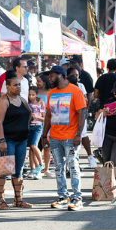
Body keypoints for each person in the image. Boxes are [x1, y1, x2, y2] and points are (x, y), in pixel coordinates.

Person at [41, 65, 88, 211]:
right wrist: (44, 135)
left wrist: (79, 134)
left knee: (73, 167)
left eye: (51, 76)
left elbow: (82, 113)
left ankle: (77, 197)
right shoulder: (51, 93)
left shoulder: (75, 91)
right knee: (58, 168)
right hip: (55, 137)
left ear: (60, 75)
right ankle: (63, 196)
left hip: (71, 137)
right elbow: (48, 115)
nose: (49, 78)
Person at [0, 74, 32, 209]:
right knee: (3, 171)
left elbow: (29, 114)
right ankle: (1, 201)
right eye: (15, 85)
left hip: (21, 141)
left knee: (18, 171)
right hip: (7, 140)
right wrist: (2, 140)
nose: (18, 87)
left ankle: (18, 200)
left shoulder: (22, 100)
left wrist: (24, 129)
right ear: (8, 86)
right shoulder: (3, 101)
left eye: (19, 84)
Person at [36, 73, 55, 178]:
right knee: (36, 146)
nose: (37, 83)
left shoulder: (51, 92)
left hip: (48, 122)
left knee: (47, 147)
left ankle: (46, 169)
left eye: (39, 81)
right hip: (37, 123)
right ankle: (37, 167)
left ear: (45, 81)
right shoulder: (35, 93)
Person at [26, 86, 45, 179]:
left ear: (37, 94)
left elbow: (44, 118)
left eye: (33, 94)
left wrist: (36, 117)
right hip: (30, 127)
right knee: (31, 149)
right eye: (29, 94)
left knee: (34, 145)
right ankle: (33, 170)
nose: (31, 96)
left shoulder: (40, 102)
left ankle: (41, 164)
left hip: (38, 126)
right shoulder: (27, 102)